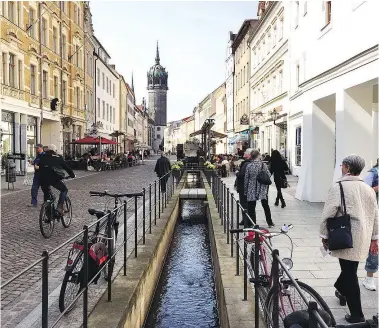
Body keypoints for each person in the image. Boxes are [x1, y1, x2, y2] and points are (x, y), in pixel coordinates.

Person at [320, 155, 378, 323]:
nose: (341, 168)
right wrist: (375, 238)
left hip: (345, 234)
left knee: (350, 273)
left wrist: (324, 235)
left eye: (342, 166)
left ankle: (356, 314)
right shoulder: (368, 188)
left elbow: (328, 213)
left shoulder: (339, 187)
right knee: (350, 269)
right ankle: (340, 290)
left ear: (346, 167)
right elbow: (375, 215)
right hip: (363, 236)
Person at [39, 144, 76, 216]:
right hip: (54, 179)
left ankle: (48, 214)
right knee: (64, 190)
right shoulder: (58, 157)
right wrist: (72, 175)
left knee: (46, 195)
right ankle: (60, 206)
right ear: (55, 150)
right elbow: (66, 167)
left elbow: (40, 167)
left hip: (43, 179)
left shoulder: (43, 157)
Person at [244, 149, 275, 228]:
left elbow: (246, 178)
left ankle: (253, 223)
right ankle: (270, 222)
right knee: (265, 205)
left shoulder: (249, 165)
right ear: (258, 155)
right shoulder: (262, 165)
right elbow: (268, 174)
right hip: (262, 187)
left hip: (251, 187)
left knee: (251, 207)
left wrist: (245, 190)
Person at [362, 158, 379, 291]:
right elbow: (364, 193)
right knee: (374, 247)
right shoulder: (374, 173)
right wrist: (377, 188)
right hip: (375, 215)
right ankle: (369, 278)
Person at [235, 149, 253, 226]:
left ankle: (246, 221)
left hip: (243, 186)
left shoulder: (246, 163)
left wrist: (237, 173)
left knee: (244, 204)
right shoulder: (250, 163)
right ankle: (246, 220)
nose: (244, 153)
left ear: (249, 154)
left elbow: (242, 175)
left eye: (245, 152)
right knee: (248, 204)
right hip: (249, 187)